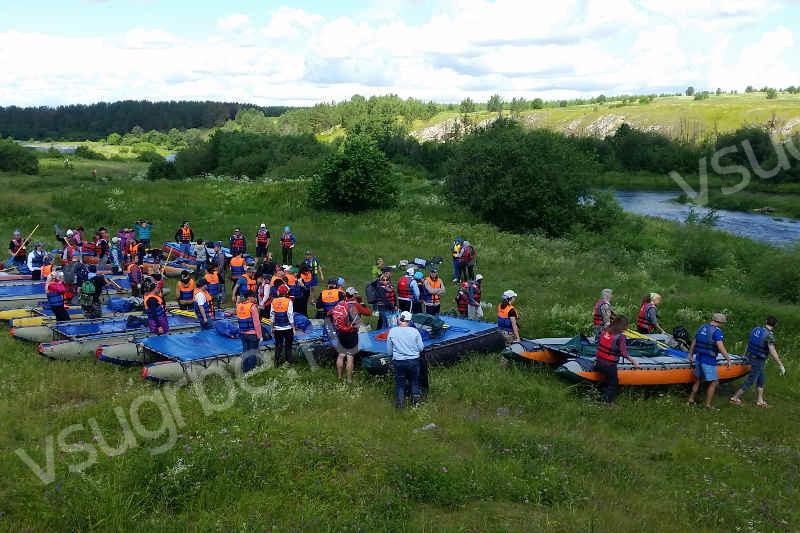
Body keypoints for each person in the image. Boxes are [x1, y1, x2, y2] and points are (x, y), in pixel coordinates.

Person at [730, 316, 786, 408]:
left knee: (761, 378)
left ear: (766, 321)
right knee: (751, 380)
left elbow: (749, 343)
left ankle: (760, 401)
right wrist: (780, 365)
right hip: (758, 360)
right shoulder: (769, 335)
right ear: (775, 325)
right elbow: (772, 351)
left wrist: (744, 355)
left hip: (750, 356)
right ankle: (734, 398)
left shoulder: (756, 329)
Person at [686, 313, 732, 409]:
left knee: (698, 380)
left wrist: (690, 354)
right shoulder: (717, 332)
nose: (723, 325)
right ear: (719, 322)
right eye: (723, 323)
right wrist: (728, 359)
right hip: (708, 360)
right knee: (714, 382)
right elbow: (720, 347)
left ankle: (690, 400)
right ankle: (707, 405)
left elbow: (694, 341)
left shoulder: (702, 327)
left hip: (698, 357)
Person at [594, 315, 641, 403]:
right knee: (613, 383)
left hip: (599, 362)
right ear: (623, 326)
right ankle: (606, 403)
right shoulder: (620, 337)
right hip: (608, 365)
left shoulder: (606, 331)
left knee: (605, 380)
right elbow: (624, 353)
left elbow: (599, 345)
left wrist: (596, 360)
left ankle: (600, 396)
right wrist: (634, 362)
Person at [387, 311, 425, 409]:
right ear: (410, 320)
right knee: (414, 381)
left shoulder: (392, 331)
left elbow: (389, 350)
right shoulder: (415, 331)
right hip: (413, 361)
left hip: (399, 361)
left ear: (400, 319)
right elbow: (421, 348)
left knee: (400, 384)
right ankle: (416, 404)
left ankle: (400, 406)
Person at [333, 287, 371, 383]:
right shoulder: (356, 305)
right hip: (352, 332)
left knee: (341, 355)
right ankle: (349, 380)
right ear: (353, 295)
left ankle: (339, 377)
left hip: (341, 332)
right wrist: (361, 302)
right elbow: (368, 313)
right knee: (350, 357)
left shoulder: (341, 304)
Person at [237, 290, 263, 372]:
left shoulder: (239, 306)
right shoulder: (252, 307)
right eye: (254, 297)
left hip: (242, 333)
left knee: (245, 352)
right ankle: (252, 371)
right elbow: (257, 323)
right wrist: (260, 336)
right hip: (252, 334)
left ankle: (245, 370)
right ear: (249, 297)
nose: (255, 298)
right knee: (252, 352)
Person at [270, 285, 295, 366]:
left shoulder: (273, 301)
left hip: (277, 328)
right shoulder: (289, 301)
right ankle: (289, 362)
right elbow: (290, 315)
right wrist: (293, 328)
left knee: (278, 346)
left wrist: (272, 328)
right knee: (288, 346)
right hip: (287, 328)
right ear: (286, 292)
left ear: (278, 292)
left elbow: (272, 315)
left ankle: (276, 363)